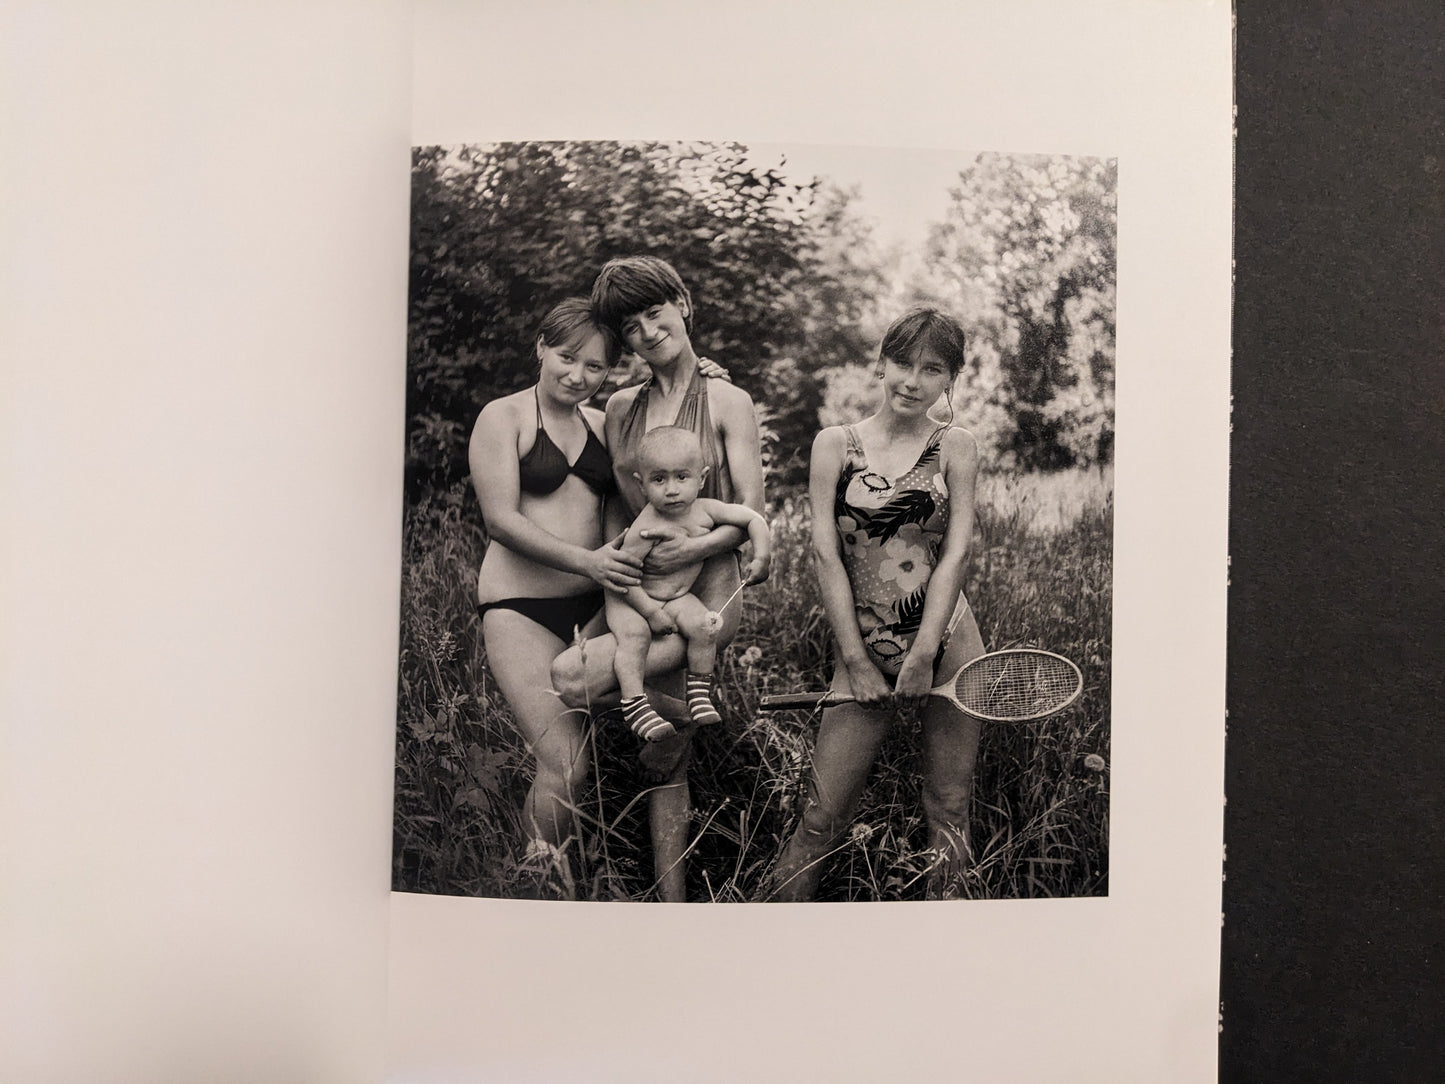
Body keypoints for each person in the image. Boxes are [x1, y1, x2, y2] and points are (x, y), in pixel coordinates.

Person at [550, 256, 766, 902]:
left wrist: (689, 549)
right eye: (630, 326)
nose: (647, 331)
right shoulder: (620, 408)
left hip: (710, 591)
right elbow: (622, 508)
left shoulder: (728, 401)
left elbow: (750, 512)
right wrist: (619, 567)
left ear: (682, 303)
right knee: (642, 717)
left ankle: (669, 730)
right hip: (638, 587)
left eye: (655, 311)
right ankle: (668, 901)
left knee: (575, 679)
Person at [769, 307, 987, 901]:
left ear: (951, 379)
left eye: (932, 369)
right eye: (902, 363)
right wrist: (856, 661)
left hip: (946, 642)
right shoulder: (835, 445)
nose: (913, 381)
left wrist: (923, 654)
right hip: (861, 644)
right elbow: (825, 554)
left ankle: (949, 936)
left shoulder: (955, 447)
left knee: (949, 806)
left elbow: (956, 555)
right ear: (881, 363)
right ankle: (772, 935)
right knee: (822, 815)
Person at [467, 297, 645, 894]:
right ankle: (535, 887)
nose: (578, 375)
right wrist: (589, 562)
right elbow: (501, 520)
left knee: (625, 752)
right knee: (566, 764)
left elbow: (621, 512)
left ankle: (580, 878)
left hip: (595, 614)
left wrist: (700, 377)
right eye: (568, 357)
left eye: (596, 367)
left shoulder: (603, 425)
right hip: (521, 610)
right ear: (541, 347)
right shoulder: (504, 417)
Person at [608, 426, 771, 741]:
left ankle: (698, 693)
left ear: (702, 478)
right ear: (641, 484)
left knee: (705, 627)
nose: (671, 490)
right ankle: (634, 702)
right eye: (659, 480)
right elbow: (622, 578)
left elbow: (753, 518)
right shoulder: (646, 527)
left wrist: (762, 556)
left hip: (675, 596)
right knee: (635, 638)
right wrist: (650, 612)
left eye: (682, 477)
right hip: (632, 598)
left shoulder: (705, 510)